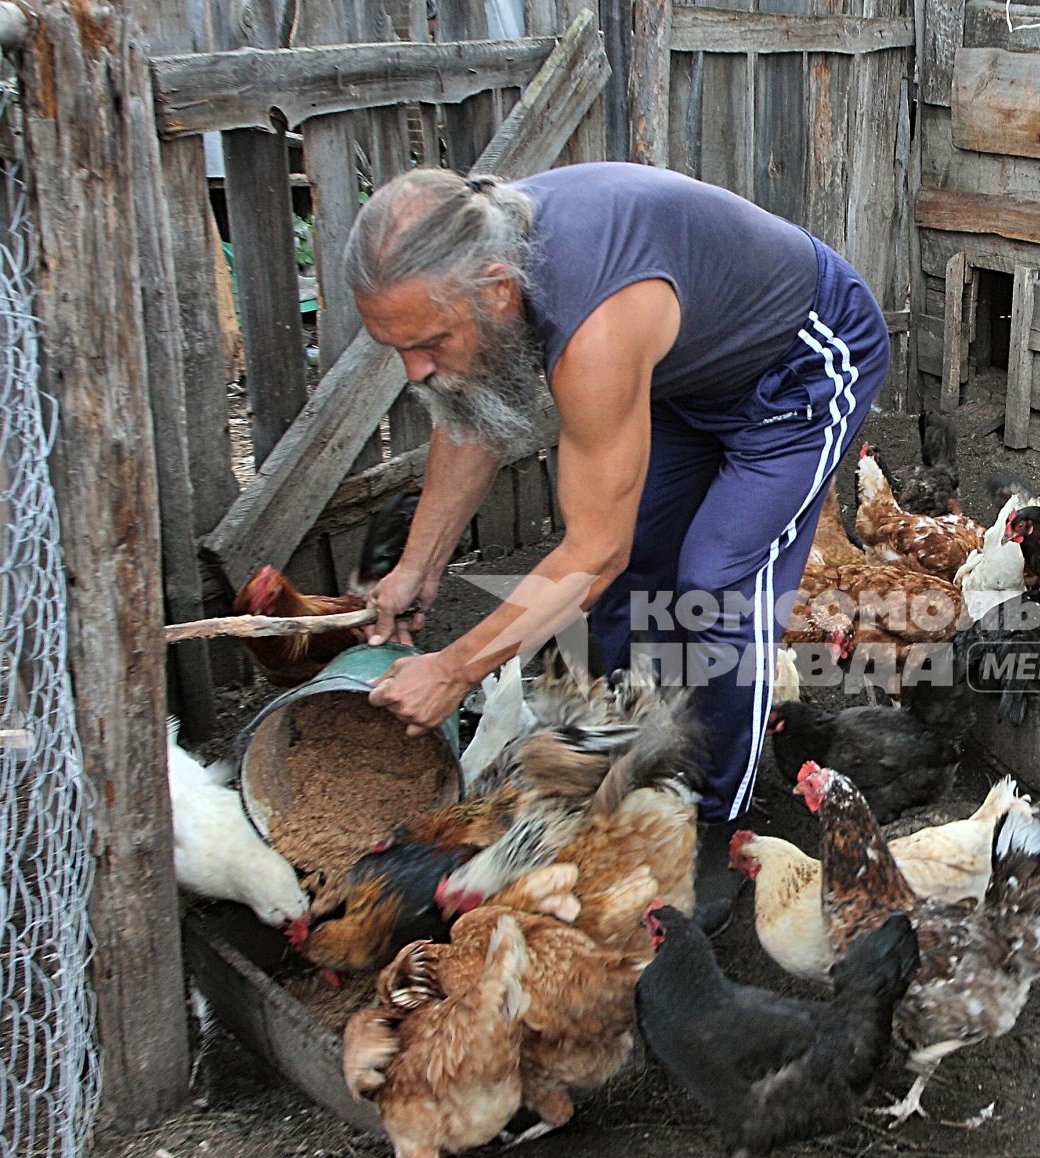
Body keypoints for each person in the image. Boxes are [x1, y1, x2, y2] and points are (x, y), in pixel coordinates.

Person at [346, 163, 890, 929]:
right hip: (687, 378)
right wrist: (415, 569)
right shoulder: (477, 259)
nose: (415, 369)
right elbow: (467, 425)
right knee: (636, 567)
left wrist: (455, 667)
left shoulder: (593, 320)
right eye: (395, 347)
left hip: (799, 369)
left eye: (429, 342)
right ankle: (609, 756)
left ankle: (714, 817)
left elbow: (588, 552)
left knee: (713, 586)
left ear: (497, 290)